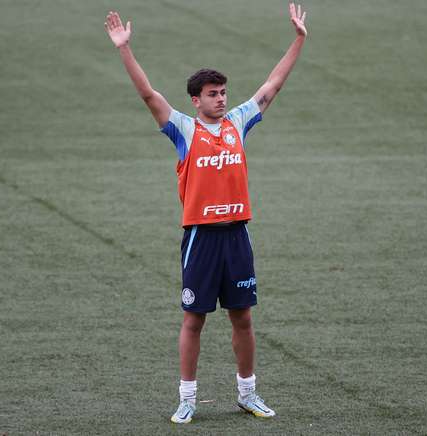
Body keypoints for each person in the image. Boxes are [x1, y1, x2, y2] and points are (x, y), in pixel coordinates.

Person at [104, 3, 307, 424]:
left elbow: (272, 86)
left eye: (223, 92)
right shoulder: (183, 128)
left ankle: (248, 394)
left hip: (237, 236)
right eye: (212, 94)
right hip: (201, 237)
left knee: (244, 319)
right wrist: (124, 49)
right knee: (194, 319)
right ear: (196, 100)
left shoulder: (239, 122)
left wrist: (298, 39)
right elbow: (147, 94)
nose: (220, 99)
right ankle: (188, 399)